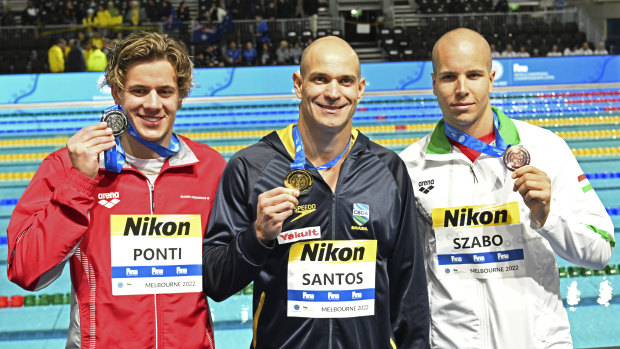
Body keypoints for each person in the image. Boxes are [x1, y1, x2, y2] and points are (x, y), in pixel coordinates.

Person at [203, 35, 429, 349]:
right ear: (298, 84)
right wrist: (257, 237)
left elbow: (409, 288)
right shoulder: (250, 167)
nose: (333, 93)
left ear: (360, 89)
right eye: (320, 79)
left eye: (345, 81)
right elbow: (215, 281)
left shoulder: (388, 170)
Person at [7, 31, 226, 348]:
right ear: (117, 94)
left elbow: (227, 270)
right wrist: (79, 181)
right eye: (139, 91)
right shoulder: (67, 166)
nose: (153, 104)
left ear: (181, 94)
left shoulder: (209, 168)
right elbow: (25, 270)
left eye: (165, 91)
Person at [399, 28, 615, 348]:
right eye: (448, 77)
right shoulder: (410, 166)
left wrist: (547, 216)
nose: (461, 89)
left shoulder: (546, 148)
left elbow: (600, 251)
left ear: (491, 77)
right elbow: (404, 274)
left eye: (473, 75)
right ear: (433, 83)